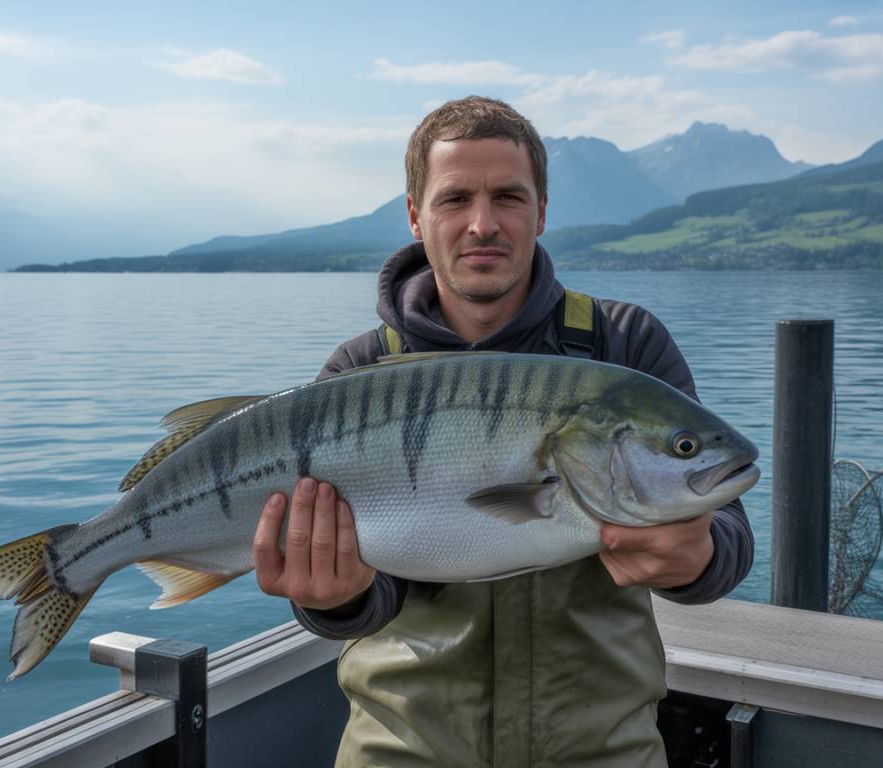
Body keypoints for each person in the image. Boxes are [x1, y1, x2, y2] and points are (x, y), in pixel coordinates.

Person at [252, 96, 753, 767]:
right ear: (414, 215)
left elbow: (728, 535)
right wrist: (333, 599)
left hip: (603, 752)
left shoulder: (624, 345)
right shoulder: (360, 372)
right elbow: (365, 600)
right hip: (402, 751)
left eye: (508, 197)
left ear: (541, 210)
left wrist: (697, 558)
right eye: (455, 198)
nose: (482, 224)